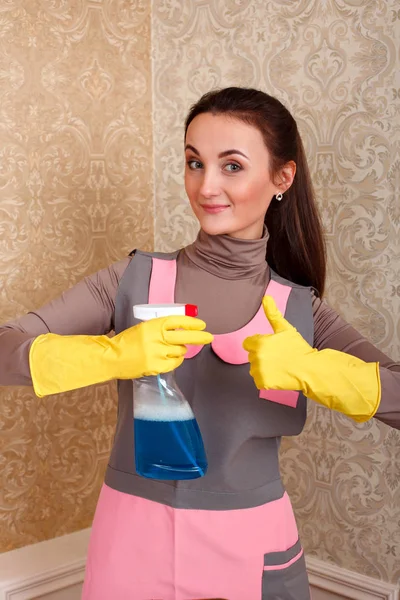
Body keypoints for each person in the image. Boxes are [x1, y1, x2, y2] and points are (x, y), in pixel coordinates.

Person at [0, 87, 399, 600]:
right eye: (194, 162)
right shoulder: (132, 279)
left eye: (231, 166)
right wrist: (109, 355)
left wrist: (315, 370)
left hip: (251, 550)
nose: (206, 186)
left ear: (283, 177)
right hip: (130, 544)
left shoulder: (303, 312)